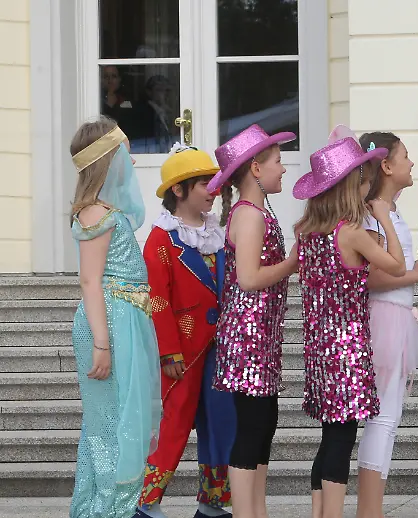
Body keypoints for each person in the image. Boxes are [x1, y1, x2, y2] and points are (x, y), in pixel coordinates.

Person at [293, 126, 408, 518]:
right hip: (347, 348)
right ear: (352, 185)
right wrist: (385, 220)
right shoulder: (352, 232)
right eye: (362, 178)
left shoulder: (307, 232)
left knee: (329, 436)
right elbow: (397, 266)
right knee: (341, 438)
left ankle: (319, 513)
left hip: (318, 348)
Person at [135, 144, 235, 518]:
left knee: (220, 420)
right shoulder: (162, 239)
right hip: (183, 351)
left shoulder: (216, 232)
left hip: (218, 347)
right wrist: (168, 351)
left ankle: (212, 502)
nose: (213, 189)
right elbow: (158, 300)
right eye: (204, 183)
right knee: (175, 423)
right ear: (178, 190)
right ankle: (146, 501)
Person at [68, 117, 161, 518]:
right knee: (110, 424)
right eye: (126, 152)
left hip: (125, 319)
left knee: (123, 420)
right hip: (109, 323)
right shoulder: (95, 214)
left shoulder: (107, 211)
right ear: (108, 159)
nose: (133, 161)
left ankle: (112, 508)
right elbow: (90, 280)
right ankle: (106, 510)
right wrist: (102, 344)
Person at [208, 124, 300, 518]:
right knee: (252, 427)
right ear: (256, 169)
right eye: (278, 161)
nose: (284, 168)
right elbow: (248, 278)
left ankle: (257, 510)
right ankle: (246, 512)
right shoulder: (249, 215)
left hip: (260, 338)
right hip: (247, 339)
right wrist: (291, 263)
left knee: (264, 424)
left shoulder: (258, 212)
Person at [353, 131, 418, 518]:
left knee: (389, 419)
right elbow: (371, 276)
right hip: (384, 318)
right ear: (386, 166)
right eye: (405, 156)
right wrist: (417, 275)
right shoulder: (375, 212)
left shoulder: (389, 210)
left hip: (396, 316)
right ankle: (369, 510)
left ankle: (372, 508)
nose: (412, 162)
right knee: (383, 418)